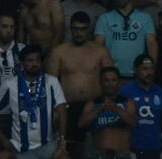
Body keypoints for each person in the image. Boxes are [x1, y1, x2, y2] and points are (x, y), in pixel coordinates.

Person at [0, 45, 70, 159]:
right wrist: (3, 139)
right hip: (22, 148)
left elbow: (62, 110)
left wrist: (62, 141)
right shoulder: (10, 85)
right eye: (30, 60)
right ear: (22, 63)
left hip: (48, 144)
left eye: (37, 60)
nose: (34, 64)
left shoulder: (51, 82)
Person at [45, 11, 114, 147]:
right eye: (75, 29)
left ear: (88, 29)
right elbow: (50, 85)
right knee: (69, 150)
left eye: (83, 29)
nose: (79, 33)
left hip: (95, 106)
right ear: (70, 28)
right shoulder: (59, 52)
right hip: (68, 108)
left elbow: (111, 79)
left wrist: (109, 104)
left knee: (97, 148)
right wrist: (54, 110)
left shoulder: (100, 51)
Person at [79, 66, 137, 159]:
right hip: (99, 158)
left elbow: (132, 122)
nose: (110, 84)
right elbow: (81, 124)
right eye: (106, 80)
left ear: (118, 82)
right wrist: (100, 109)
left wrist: (116, 109)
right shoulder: (93, 104)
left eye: (113, 80)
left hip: (122, 158)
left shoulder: (127, 103)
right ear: (101, 83)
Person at [94, 0, 158, 80]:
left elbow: (151, 44)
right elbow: (97, 46)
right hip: (112, 76)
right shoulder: (104, 18)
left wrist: (151, 71)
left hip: (138, 75)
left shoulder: (145, 18)